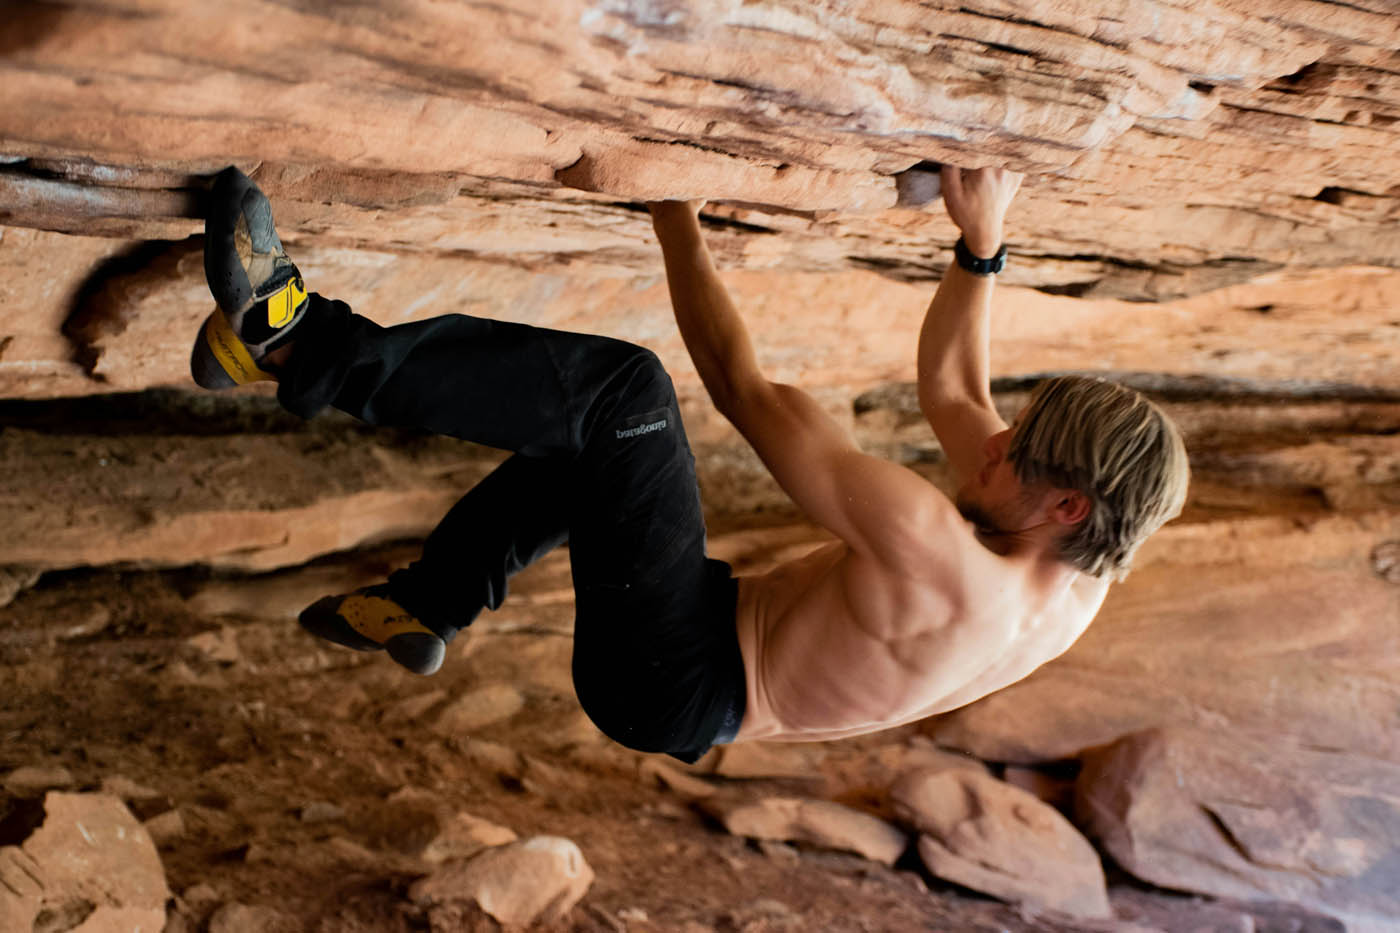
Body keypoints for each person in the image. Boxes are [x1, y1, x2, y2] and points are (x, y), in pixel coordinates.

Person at [190, 165, 1188, 763]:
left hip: (678, 678)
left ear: (1061, 504)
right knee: (603, 455)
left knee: (622, 398)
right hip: (703, 670)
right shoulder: (1075, 564)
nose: (994, 436)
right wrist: (980, 249)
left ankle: (290, 339)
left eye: (1018, 452)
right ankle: (431, 600)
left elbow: (738, 389)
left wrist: (672, 210)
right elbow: (956, 394)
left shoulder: (939, 556)